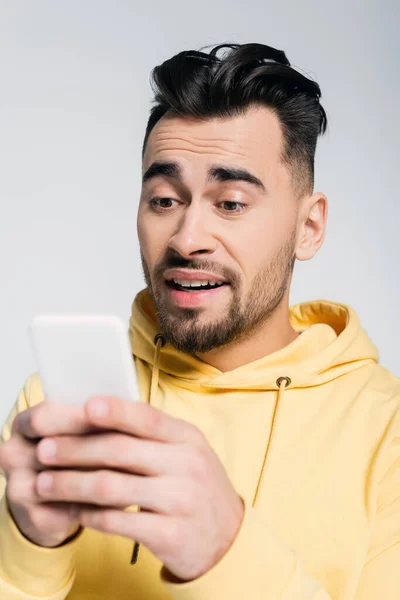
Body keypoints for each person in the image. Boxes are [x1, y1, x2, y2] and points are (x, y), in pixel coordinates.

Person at [0, 42, 398, 600]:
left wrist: (227, 551)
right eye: (164, 199)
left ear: (308, 227)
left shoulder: (388, 432)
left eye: (231, 203)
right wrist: (29, 549)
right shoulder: (56, 411)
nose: (187, 239)